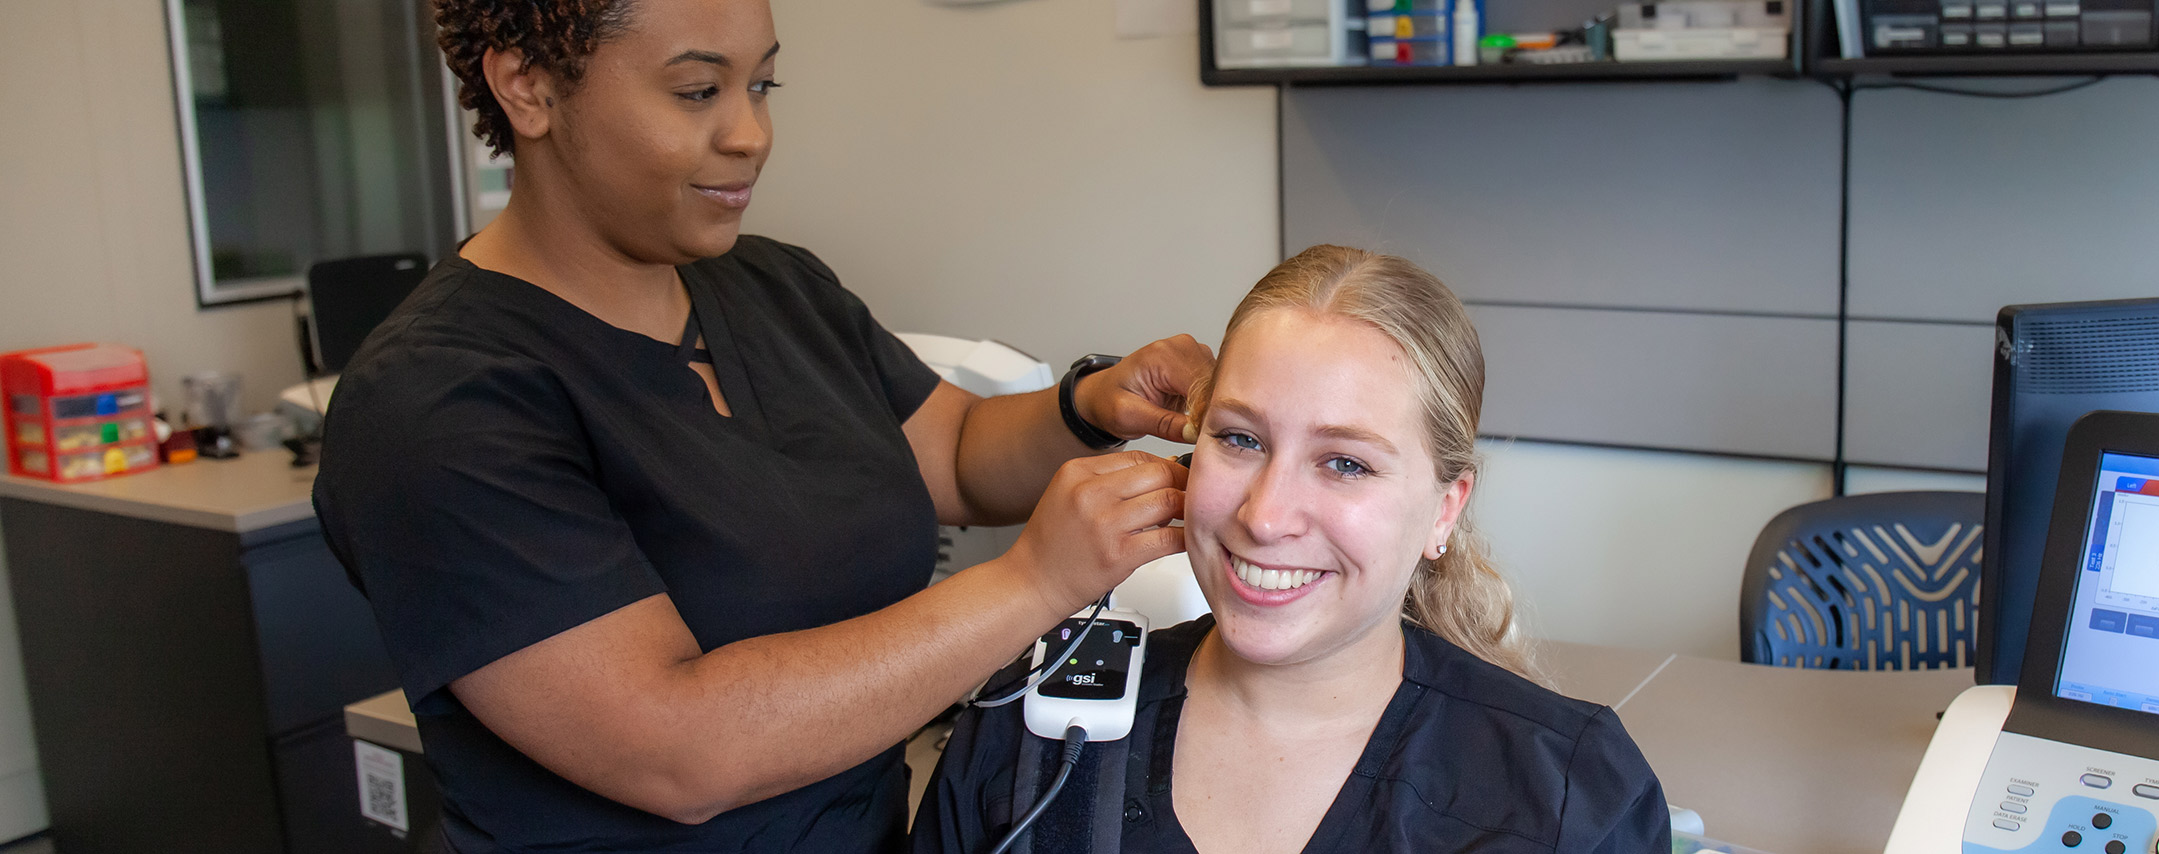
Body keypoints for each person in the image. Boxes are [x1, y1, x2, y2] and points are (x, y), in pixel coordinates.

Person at [312, 0, 1210, 850]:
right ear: (529, 87)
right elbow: (681, 749)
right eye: (698, 91)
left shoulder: (775, 288)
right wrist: (1032, 583)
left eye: (762, 86)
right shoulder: (436, 399)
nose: (751, 134)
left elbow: (961, 459)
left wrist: (1089, 406)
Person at [914, 246, 1671, 853]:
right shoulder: (1030, 726)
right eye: (1240, 439)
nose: (1266, 516)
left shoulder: (1570, 793)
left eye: (1346, 462)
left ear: (1445, 510)